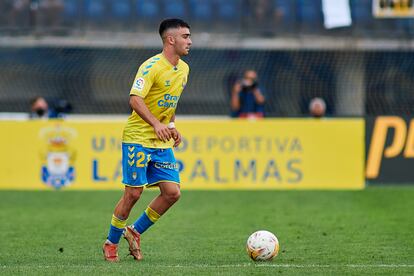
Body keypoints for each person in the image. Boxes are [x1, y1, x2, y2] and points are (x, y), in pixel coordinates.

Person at [102, 18, 192, 262]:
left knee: (172, 193)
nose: (190, 41)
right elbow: (134, 99)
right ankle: (111, 242)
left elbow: (169, 101)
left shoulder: (183, 69)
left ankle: (134, 231)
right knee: (133, 194)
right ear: (170, 39)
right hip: (138, 137)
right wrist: (156, 124)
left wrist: (171, 125)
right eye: (185, 36)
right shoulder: (151, 66)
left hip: (161, 139)